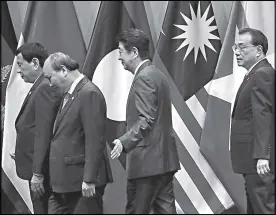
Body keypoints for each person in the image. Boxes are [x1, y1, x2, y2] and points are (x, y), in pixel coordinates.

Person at [110, 28, 181, 214]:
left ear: (134, 52)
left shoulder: (144, 78)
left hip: (146, 165)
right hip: (162, 162)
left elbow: (146, 119)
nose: (119, 58)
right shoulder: (156, 74)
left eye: (121, 52)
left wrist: (123, 141)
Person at [43, 52, 113, 214]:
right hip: (63, 184)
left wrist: (89, 179)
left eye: (49, 77)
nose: (49, 84)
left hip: (82, 184)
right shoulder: (68, 95)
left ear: (63, 70)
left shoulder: (89, 93)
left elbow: (95, 141)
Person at [13, 42, 62, 213]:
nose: (18, 71)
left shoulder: (44, 88)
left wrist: (38, 173)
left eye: (20, 65)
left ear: (35, 63)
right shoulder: (39, 87)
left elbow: (44, 131)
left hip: (43, 173)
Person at [230, 27, 275, 214]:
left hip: (258, 161)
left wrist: (262, 155)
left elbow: (263, 115)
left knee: (262, 208)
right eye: (235, 47)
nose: (237, 52)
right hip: (251, 159)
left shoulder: (263, 74)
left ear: (258, 50)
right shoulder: (254, 73)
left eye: (242, 47)